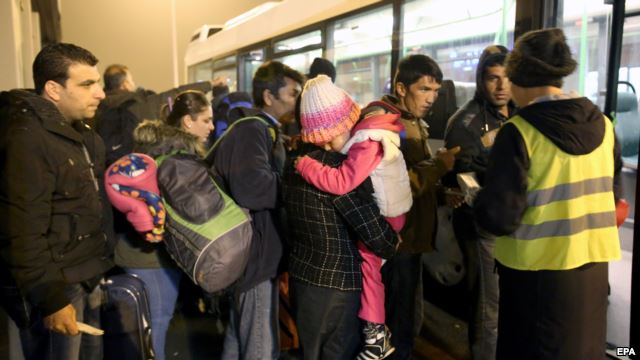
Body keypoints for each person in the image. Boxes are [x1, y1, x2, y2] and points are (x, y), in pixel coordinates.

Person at [473, 28, 622, 360]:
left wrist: (477, 199)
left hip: (535, 281)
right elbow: (611, 195)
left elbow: (500, 216)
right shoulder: (604, 125)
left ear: (517, 77)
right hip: (593, 273)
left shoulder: (519, 131)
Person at [0, 43, 114, 360]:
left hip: (88, 277)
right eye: (87, 84)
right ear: (53, 89)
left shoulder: (86, 135)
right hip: (59, 289)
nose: (100, 93)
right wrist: (49, 298)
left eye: (99, 83)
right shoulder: (27, 137)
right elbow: (21, 229)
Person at [295, 75, 412, 359]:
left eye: (327, 140)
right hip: (387, 216)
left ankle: (376, 336)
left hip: (386, 215)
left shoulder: (364, 144)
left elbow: (342, 183)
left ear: (343, 124)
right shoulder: (363, 137)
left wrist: (307, 166)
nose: (324, 148)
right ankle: (376, 334)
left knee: (370, 270)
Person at [354, 54, 457, 359]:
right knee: (397, 321)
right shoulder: (387, 125)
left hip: (410, 238)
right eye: (424, 89)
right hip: (396, 242)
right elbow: (392, 185)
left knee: (405, 317)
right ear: (401, 88)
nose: (431, 98)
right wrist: (439, 165)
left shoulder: (410, 122)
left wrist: (440, 194)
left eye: (436, 91)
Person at [208, 60, 303, 359]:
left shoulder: (261, 130)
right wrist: (297, 184)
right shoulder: (252, 130)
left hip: (253, 251)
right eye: (293, 94)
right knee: (261, 345)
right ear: (268, 97)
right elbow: (252, 188)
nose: (298, 102)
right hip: (256, 256)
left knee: (241, 333)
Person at [111, 90, 213, 360]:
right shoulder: (177, 156)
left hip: (142, 252)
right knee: (155, 322)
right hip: (150, 257)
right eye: (206, 120)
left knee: (149, 325)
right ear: (188, 122)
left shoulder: (154, 149)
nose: (212, 127)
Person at [443, 45, 516, 360]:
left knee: (508, 301)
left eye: (507, 78)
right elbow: (464, 178)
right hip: (482, 224)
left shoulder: (521, 113)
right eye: (493, 78)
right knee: (488, 303)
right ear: (480, 80)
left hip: (513, 221)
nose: (501, 87)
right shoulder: (466, 122)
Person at [95, 63, 225, 165]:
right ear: (125, 85)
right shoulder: (136, 104)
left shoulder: (97, 107)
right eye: (131, 80)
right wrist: (210, 83)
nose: (134, 84)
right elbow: (175, 93)